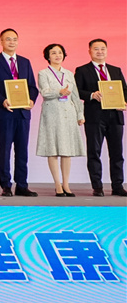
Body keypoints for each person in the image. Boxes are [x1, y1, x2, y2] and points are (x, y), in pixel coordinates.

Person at [0, 28, 39, 197]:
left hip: (23, 113)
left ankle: (22, 185)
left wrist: (31, 100)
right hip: (4, 112)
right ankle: (6, 185)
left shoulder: (25, 62)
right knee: (5, 149)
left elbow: (32, 86)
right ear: (1, 41)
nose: (11, 42)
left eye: (14, 39)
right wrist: (2, 100)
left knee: (22, 150)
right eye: (8, 39)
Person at [74, 38, 126, 197]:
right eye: (96, 49)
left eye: (103, 48)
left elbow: (124, 90)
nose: (100, 52)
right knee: (94, 152)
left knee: (117, 153)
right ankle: (97, 186)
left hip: (115, 116)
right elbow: (77, 91)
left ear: (107, 51)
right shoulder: (82, 70)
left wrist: (124, 102)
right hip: (94, 116)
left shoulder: (115, 70)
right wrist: (91, 95)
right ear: (89, 51)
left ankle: (118, 186)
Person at [36, 44, 85, 197]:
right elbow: (44, 92)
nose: (57, 55)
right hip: (52, 113)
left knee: (66, 150)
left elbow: (75, 95)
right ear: (47, 56)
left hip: (68, 113)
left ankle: (66, 184)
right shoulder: (43, 73)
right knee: (53, 149)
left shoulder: (69, 74)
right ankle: (57, 183)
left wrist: (80, 114)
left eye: (60, 52)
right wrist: (60, 91)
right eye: (53, 53)